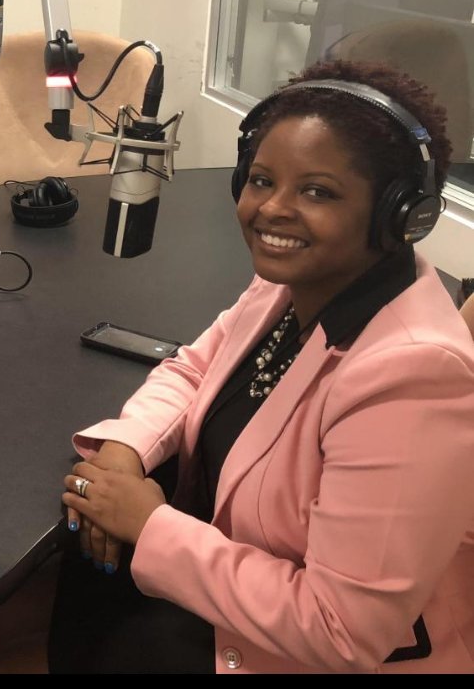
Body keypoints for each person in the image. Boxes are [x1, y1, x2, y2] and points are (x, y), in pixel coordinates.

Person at [44, 59, 474, 673]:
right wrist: (125, 450)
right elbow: (194, 369)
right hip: (235, 580)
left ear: (400, 215)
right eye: (262, 180)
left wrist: (150, 522)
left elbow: (339, 631)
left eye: (318, 191)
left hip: (311, 652)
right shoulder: (293, 285)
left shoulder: (414, 377)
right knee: (85, 561)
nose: (272, 210)